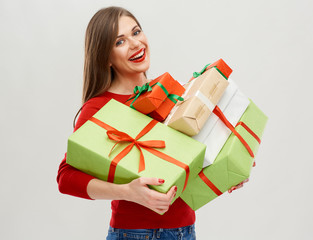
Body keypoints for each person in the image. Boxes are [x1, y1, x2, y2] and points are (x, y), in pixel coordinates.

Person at [57, 6, 247, 239]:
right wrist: (127, 192)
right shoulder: (99, 108)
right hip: (135, 233)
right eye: (120, 42)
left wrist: (227, 170)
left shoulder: (171, 94)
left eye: (136, 32)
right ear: (105, 58)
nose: (136, 44)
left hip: (185, 231)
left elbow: (185, 162)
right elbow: (65, 177)